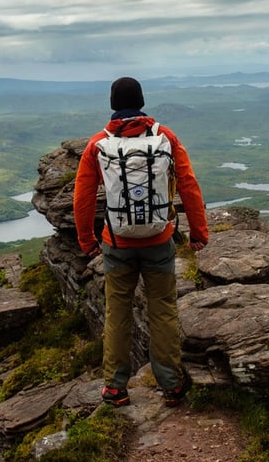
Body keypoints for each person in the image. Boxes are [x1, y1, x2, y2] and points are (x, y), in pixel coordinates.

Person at [73, 76, 210, 408]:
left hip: (117, 243)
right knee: (162, 310)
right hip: (159, 239)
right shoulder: (166, 137)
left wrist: (87, 241)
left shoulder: (98, 144)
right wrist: (198, 232)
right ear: (142, 101)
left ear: (112, 104)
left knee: (117, 313)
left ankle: (115, 388)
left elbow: (83, 197)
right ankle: (172, 385)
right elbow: (189, 184)